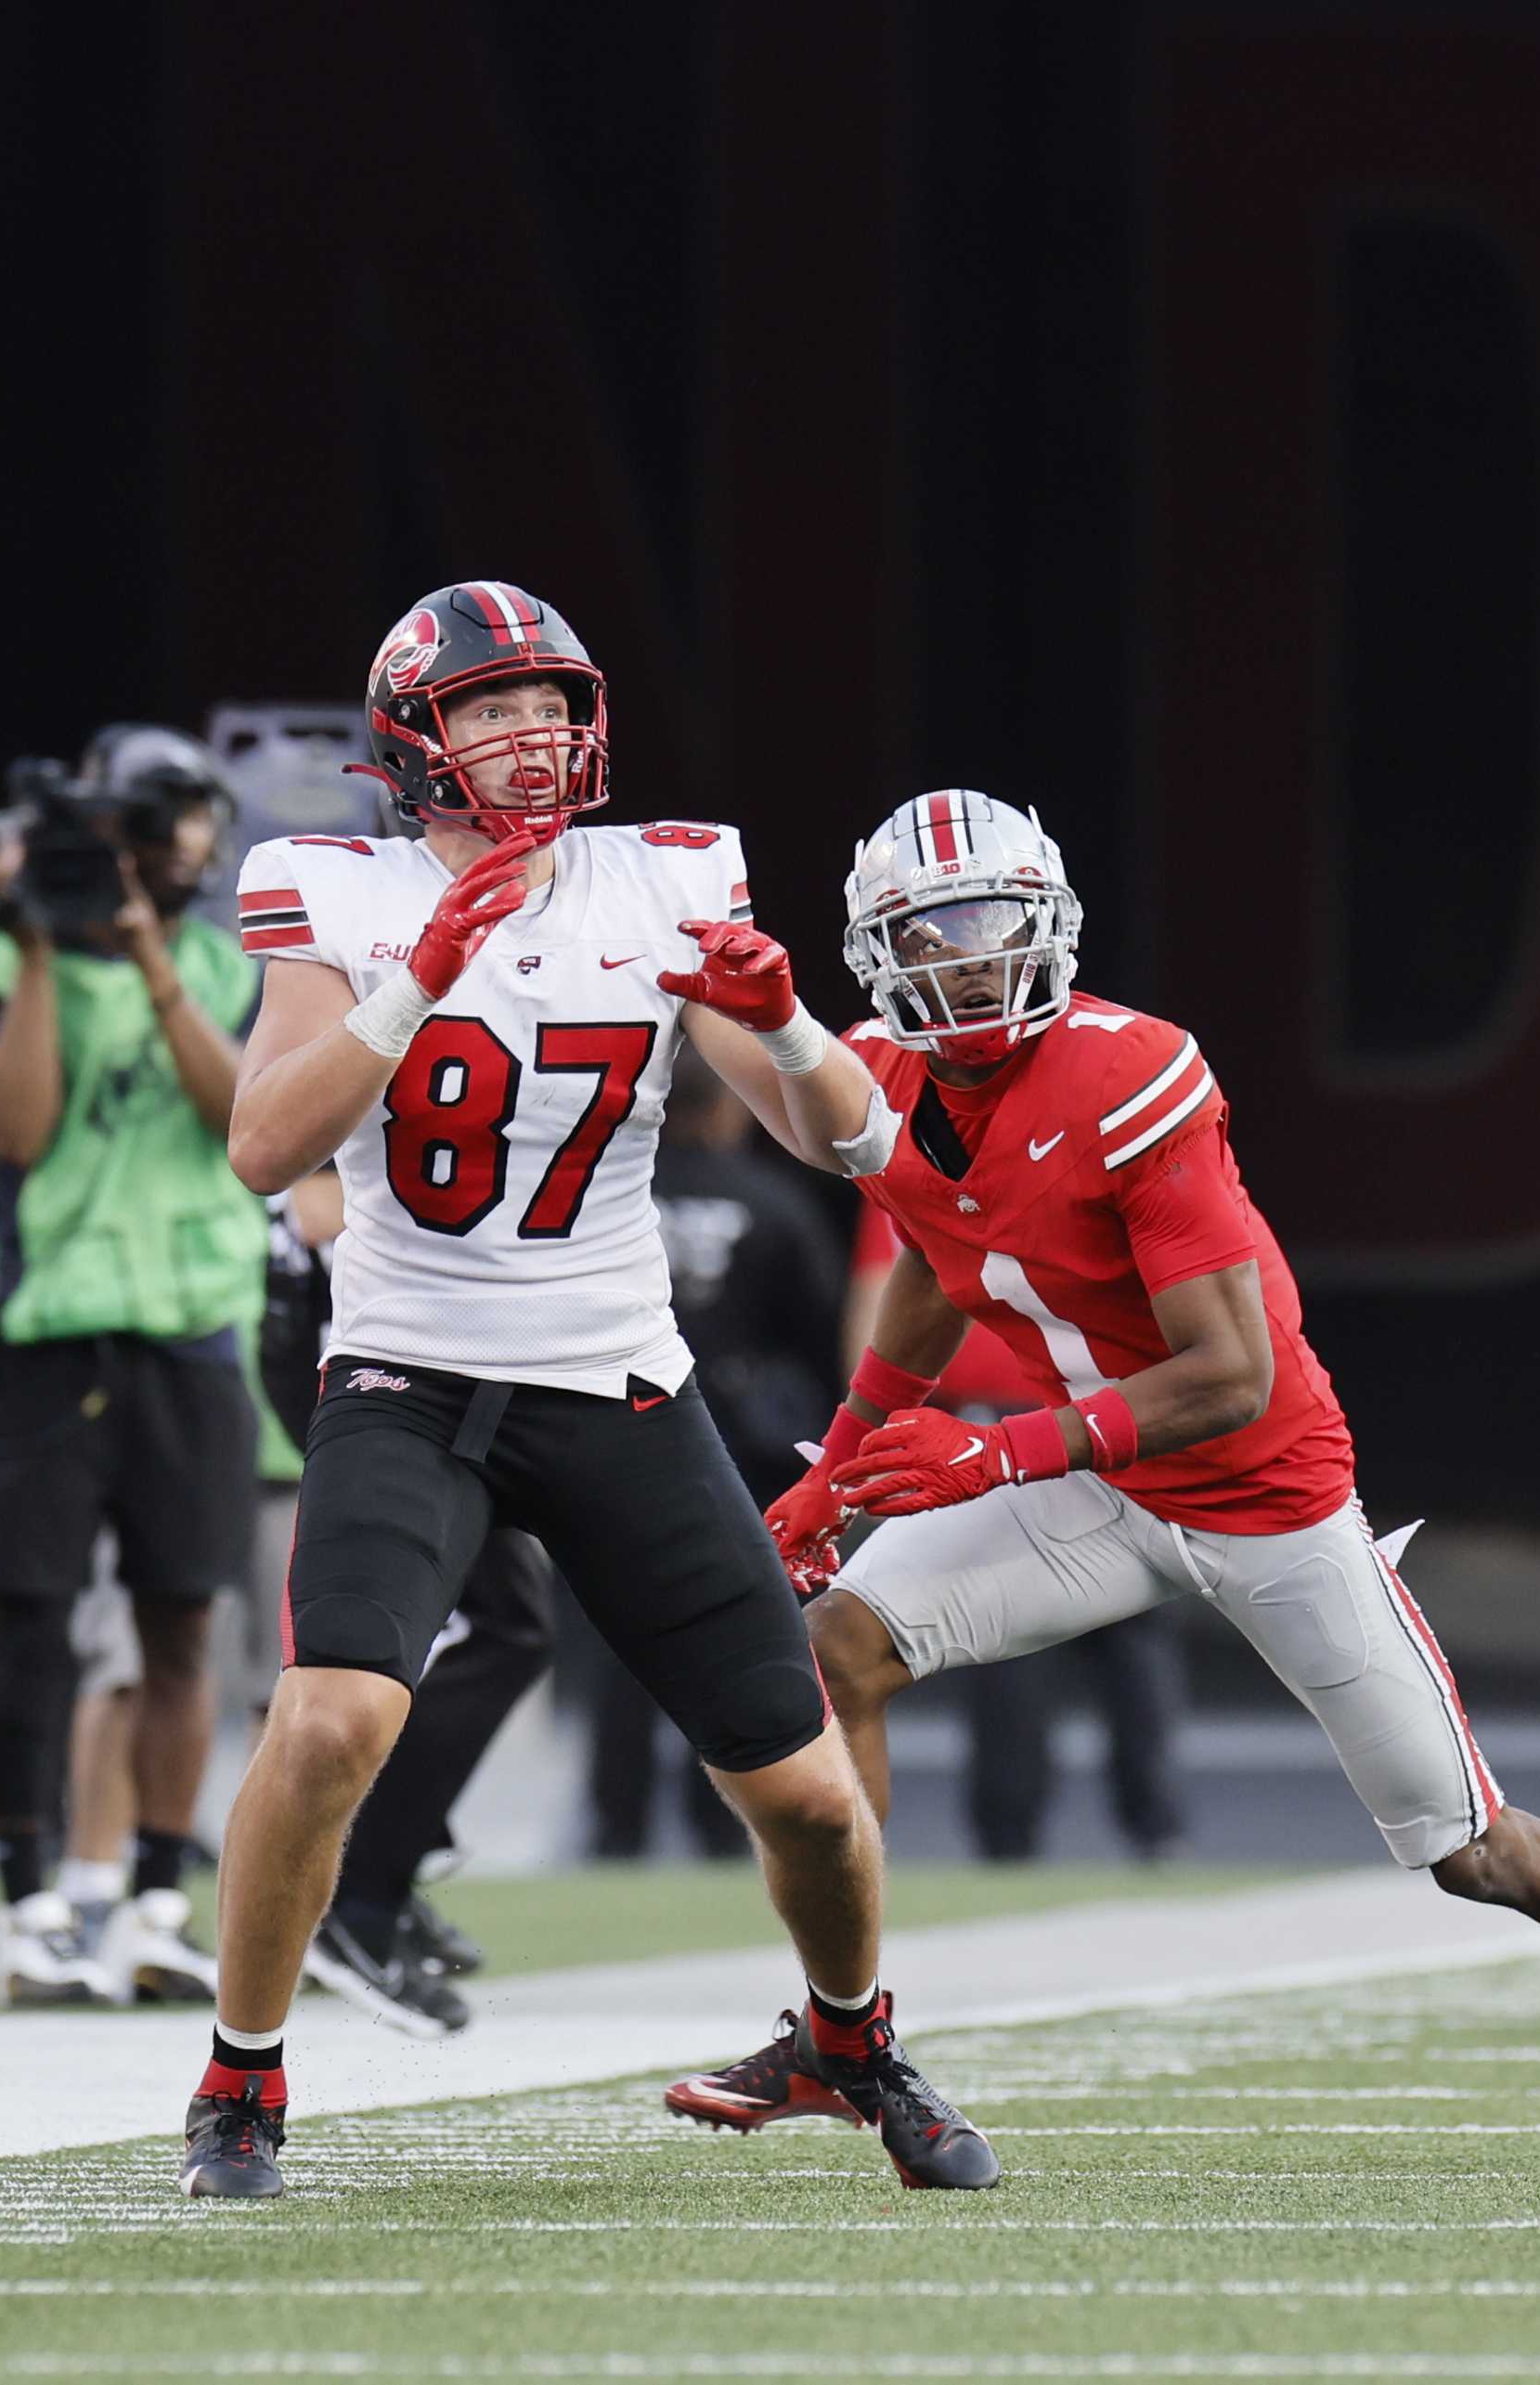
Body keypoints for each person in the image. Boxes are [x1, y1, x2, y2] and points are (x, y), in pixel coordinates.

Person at [706, 790, 1540, 2171]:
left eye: (987, 924)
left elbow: (1227, 1374)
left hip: (1258, 1489)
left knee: (1470, 1846)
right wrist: (843, 1462)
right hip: (1106, 1486)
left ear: (1046, 921)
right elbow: (944, 1261)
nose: (963, 960)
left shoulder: (1132, 1073)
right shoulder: (889, 1081)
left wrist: (990, 1449)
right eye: (926, 936)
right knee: (835, 1651)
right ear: (880, 957)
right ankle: (850, 2035)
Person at [185, 580, 990, 2199]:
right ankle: (240, 2077)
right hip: (407, 1368)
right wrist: (419, 973)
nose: (532, 732)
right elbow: (265, 1142)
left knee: (813, 1798)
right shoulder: (327, 884)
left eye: (550, 700)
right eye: (489, 705)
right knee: (335, 1714)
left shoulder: (668, 874)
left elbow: (855, 1141)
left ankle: (847, 2038)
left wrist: (783, 1022)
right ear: (413, 739)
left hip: (615, 1378)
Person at [0, 727, 257, 2011]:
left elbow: (241, 1120)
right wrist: (36, 943)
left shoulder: (218, 963)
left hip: (192, 1325)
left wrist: (147, 960)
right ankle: (29, 1908)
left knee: (182, 1623)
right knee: (36, 1626)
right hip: (51, 1327)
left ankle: (152, 1900)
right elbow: (15, 1124)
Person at [257, 1162, 561, 2037]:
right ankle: (359, 1888)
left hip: (414, 1356)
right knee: (461, 1632)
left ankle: (384, 1856)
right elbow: (319, 1206)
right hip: (377, 1368)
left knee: (503, 1625)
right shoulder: (381, 1027)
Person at [852, 1205, 1190, 1862]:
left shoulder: (913, 1159)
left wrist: (867, 1439)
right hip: (1073, 1412)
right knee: (1066, 1635)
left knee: (1068, 1632)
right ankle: (1138, 1826)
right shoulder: (913, 1164)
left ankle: (1069, 1829)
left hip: (1071, 1413)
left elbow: (872, 1305)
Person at [572, 1073, 847, 1860]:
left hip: (617, 1440)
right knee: (739, 1641)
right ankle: (728, 1823)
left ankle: (614, 1824)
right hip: (742, 1457)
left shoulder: (606, 1198)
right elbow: (820, 1331)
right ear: (729, 1107)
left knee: (619, 1647)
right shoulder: (776, 1199)